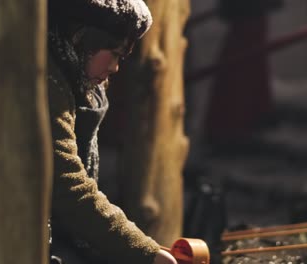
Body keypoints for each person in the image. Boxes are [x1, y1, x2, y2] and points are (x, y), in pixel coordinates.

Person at [46, 0, 177, 263]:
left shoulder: (71, 81)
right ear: (82, 40)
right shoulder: (47, 85)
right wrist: (145, 253)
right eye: (115, 53)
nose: (115, 68)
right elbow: (69, 187)